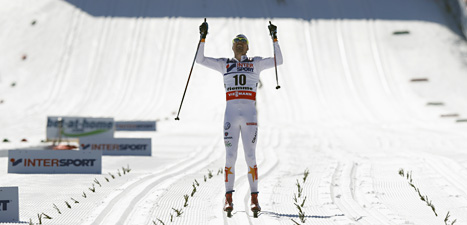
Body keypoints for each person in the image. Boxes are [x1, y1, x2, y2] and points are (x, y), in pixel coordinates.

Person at [195, 20, 283, 215]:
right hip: (231, 115)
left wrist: (274, 38)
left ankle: (254, 199)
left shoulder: (256, 63)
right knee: (230, 157)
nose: (240, 44)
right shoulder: (224, 64)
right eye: (237, 42)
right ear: (232, 47)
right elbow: (199, 60)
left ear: (248, 47)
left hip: (250, 115)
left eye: (243, 42)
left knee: (250, 156)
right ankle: (228, 199)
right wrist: (203, 37)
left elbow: (279, 60)